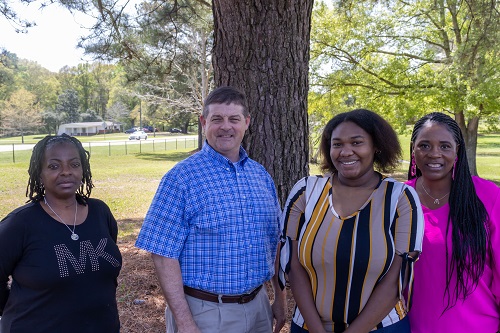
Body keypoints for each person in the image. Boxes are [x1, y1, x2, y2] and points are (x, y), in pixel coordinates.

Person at [135, 86, 286, 333]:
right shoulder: (181, 178)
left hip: (259, 307)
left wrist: (279, 298)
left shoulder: (261, 176)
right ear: (204, 122)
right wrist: (184, 322)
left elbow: (274, 242)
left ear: (246, 123)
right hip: (204, 313)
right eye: (217, 119)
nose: (226, 126)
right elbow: (163, 255)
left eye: (234, 119)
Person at [279, 109, 424, 333]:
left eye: (357, 142)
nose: (346, 152)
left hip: (381, 328)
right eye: (337, 144)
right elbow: (294, 266)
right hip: (308, 327)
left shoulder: (400, 198)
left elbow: (398, 278)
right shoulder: (306, 191)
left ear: (376, 146)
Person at [0, 134, 122, 332]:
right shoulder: (20, 223)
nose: (66, 172)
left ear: (83, 169)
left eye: (74, 164)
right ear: (39, 174)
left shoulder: (100, 212)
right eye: (54, 166)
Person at [406, 112, 500, 333]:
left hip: (477, 327)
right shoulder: (399, 198)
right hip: (409, 327)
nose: (434, 154)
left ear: (457, 150)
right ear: (413, 149)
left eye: (445, 146)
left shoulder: (487, 196)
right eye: (425, 146)